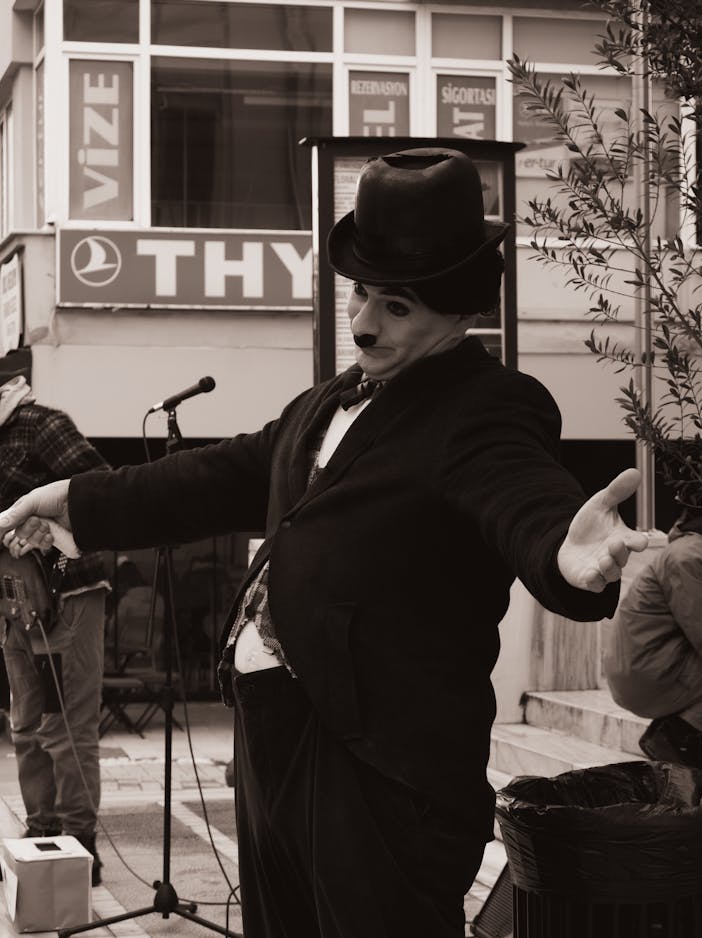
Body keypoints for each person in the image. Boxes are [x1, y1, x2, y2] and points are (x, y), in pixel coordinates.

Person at [0, 148, 647, 938]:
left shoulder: (486, 408)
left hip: (378, 772)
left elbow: (522, 496)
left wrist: (563, 554)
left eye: (396, 307)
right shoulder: (332, 401)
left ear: (457, 311)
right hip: (278, 742)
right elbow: (221, 473)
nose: (365, 322)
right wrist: (79, 499)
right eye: (359, 296)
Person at [0, 374, 109, 885]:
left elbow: (100, 484)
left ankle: (78, 843)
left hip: (66, 595)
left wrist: (42, 529)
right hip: (13, 603)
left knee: (66, 728)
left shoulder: (40, 424)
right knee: (25, 725)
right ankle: (41, 833)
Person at [605, 508, 702, 772]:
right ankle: (677, 737)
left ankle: (685, 728)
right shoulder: (693, 557)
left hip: (655, 665)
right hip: (646, 674)